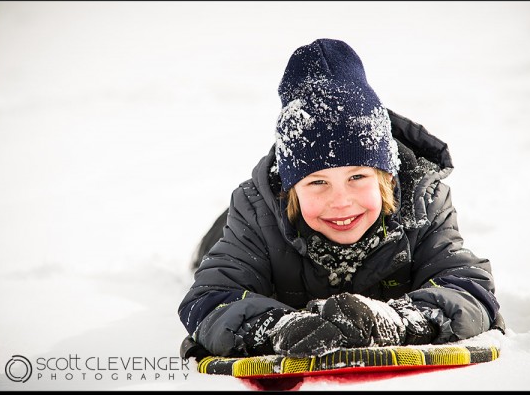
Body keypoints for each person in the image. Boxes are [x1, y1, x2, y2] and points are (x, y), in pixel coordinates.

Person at [178, 38, 504, 360]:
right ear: (290, 189)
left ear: (387, 177)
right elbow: (212, 298)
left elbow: (465, 288)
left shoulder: (423, 202)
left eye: (357, 177)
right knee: (214, 248)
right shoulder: (255, 210)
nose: (341, 201)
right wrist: (277, 327)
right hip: (257, 229)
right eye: (317, 181)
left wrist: (401, 323)